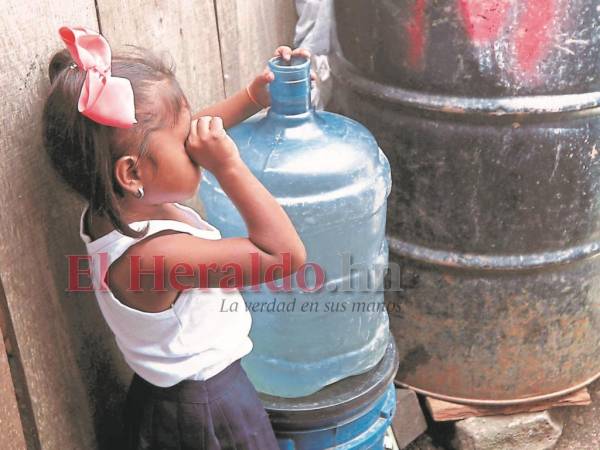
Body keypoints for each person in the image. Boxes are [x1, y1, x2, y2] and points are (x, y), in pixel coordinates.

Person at [43, 26, 308, 450]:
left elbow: (179, 135)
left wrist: (252, 98)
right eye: (184, 141)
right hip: (209, 411)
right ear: (132, 174)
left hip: (163, 398)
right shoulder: (157, 257)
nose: (198, 143)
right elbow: (284, 256)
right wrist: (229, 167)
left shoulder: (109, 208)